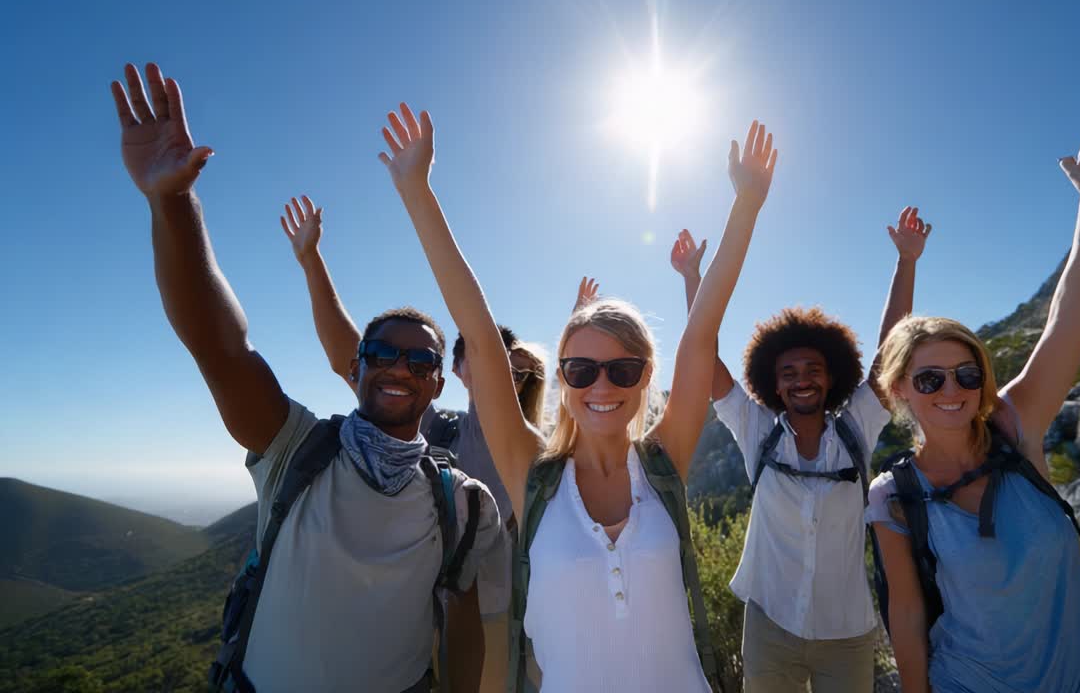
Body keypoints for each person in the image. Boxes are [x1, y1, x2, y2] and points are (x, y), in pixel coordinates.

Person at [111, 62, 501, 692]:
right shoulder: (298, 448)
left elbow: (463, 621)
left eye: (422, 361)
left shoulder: (461, 503)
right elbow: (221, 348)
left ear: (438, 384)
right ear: (357, 365)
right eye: (381, 351)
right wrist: (172, 202)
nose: (399, 367)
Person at [377, 101, 777, 691]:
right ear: (562, 380)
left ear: (646, 377)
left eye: (623, 369)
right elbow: (481, 339)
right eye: (582, 369)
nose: (602, 386)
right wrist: (417, 191)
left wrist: (746, 206)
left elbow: (701, 335)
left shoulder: (663, 464)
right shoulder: (533, 474)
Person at [865, 131, 1080, 692]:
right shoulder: (893, 494)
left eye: (967, 374)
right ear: (901, 388)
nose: (952, 390)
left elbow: (1070, 322)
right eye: (929, 379)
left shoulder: (1013, 427)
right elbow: (906, 614)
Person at [279, 194, 547, 693]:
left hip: (488, 615)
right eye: (485, 359)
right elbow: (349, 357)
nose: (498, 372)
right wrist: (311, 261)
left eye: (511, 368)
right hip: (420, 613)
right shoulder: (434, 424)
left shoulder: (515, 437)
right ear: (455, 374)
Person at [669, 206, 932, 692]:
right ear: (774, 384)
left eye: (813, 370)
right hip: (769, 625)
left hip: (846, 631)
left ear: (832, 378)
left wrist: (906, 262)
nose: (801, 381)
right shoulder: (756, 430)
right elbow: (705, 357)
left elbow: (891, 352)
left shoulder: (856, 429)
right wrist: (692, 280)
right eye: (788, 373)